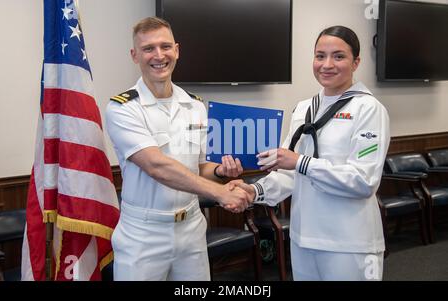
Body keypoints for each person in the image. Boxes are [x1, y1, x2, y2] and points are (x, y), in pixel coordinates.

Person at [231, 26, 390, 281]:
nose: (327, 64)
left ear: (356, 62)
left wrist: (301, 162)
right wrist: (254, 192)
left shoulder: (369, 109)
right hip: (303, 237)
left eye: (339, 56)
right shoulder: (304, 108)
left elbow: (363, 181)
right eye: (320, 56)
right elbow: (289, 172)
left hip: (349, 242)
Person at [105, 17, 250, 281]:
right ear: (134, 55)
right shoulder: (123, 108)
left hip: (192, 230)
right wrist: (219, 192)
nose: (159, 55)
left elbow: (197, 167)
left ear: (177, 50)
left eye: (165, 46)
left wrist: (219, 170)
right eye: (148, 48)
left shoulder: (194, 105)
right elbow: (156, 166)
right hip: (143, 235)